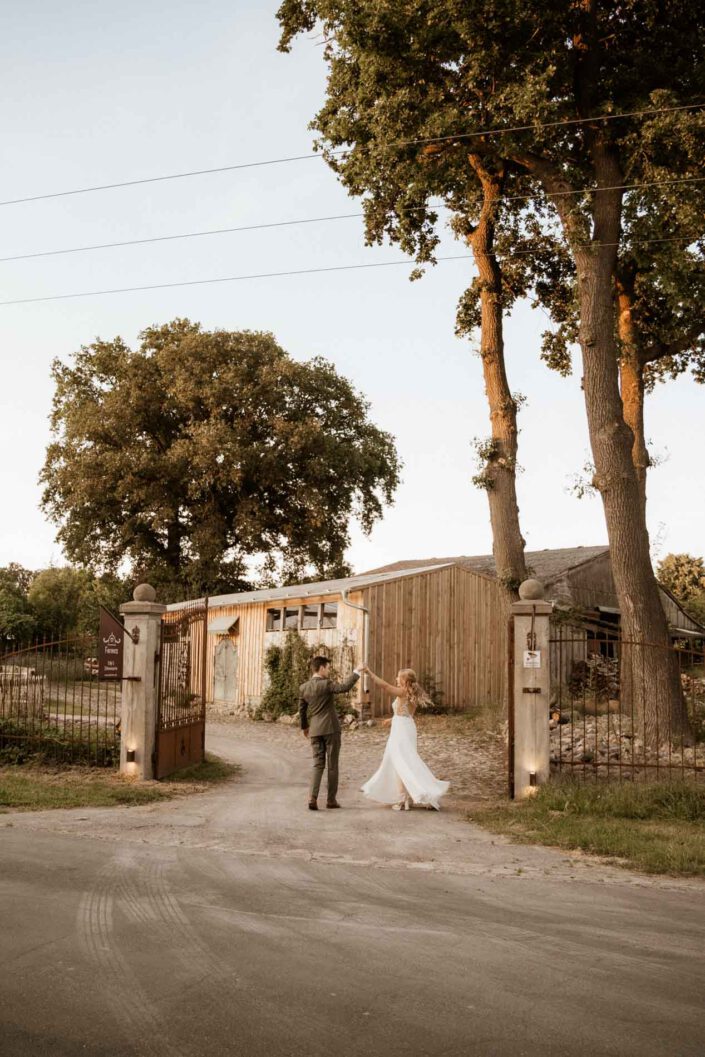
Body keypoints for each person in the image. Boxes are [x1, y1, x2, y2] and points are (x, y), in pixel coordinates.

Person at [361, 666, 450, 811]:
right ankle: (408, 797)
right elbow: (405, 713)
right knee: (405, 762)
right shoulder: (409, 693)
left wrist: (370, 673)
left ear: (404, 681)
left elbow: (384, 686)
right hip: (403, 727)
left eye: (398, 677)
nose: (396, 679)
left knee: (401, 763)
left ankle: (404, 799)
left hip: (401, 731)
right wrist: (391, 719)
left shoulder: (403, 692)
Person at [299, 656, 361, 810]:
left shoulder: (304, 687)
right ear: (321, 668)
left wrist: (305, 727)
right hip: (331, 729)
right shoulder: (326, 684)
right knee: (332, 765)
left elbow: (302, 710)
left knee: (317, 764)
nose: (328, 670)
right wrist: (357, 672)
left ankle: (312, 798)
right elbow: (344, 687)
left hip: (314, 730)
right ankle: (331, 800)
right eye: (327, 668)